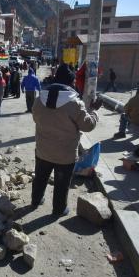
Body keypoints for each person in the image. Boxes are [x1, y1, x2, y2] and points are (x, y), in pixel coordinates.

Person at [31, 64, 102, 217]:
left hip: (43, 149)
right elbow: (88, 126)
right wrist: (94, 111)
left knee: (40, 177)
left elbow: (36, 118)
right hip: (65, 155)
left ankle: (36, 200)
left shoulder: (39, 98)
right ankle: (58, 209)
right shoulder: (74, 103)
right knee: (61, 183)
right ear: (71, 82)